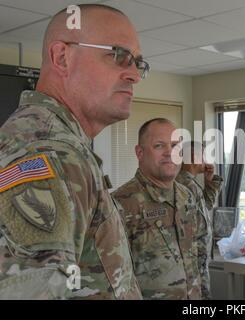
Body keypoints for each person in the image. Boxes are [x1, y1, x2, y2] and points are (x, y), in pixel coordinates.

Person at [0, 4, 149, 299]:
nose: (134, 74)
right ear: (62, 57)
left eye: (138, 63)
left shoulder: (62, 145)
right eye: (118, 55)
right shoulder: (51, 153)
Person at [112, 118, 203, 300]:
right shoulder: (120, 204)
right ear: (140, 152)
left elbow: (199, 259)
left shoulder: (187, 196)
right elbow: (114, 281)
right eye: (159, 146)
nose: (169, 153)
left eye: (175, 146)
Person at [176, 141, 223, 299]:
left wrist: (211, 181)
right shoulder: (184, 185)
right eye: (204, 156)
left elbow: (205, 207)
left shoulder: (191, 184)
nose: (206, 161)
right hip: (193, 263)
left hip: (199, 261)